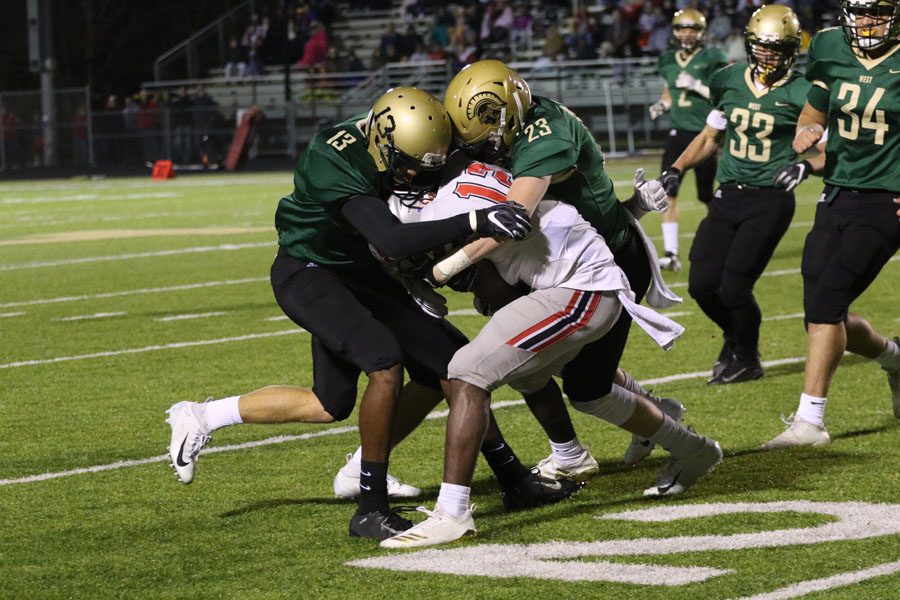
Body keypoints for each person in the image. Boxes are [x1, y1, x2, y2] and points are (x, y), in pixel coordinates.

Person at [166, 87, 539, 541]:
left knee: (445, 363)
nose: (414, 178)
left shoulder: (419, 136)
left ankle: (512, 477)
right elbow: (394, 238)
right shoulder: (335, 155)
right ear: (383, 145)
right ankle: (370, 509)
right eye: (407, 167)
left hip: (362, 272)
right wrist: (477, 221)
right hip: (310, 272)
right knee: (384, 363)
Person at [380, 157, 723, 549]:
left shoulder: (444, 207)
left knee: (467, 370)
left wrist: (438, 274)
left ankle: (452, 513)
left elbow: (496, 290)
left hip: (582, 288)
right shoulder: (474, 175)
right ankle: (686, 448)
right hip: (574, 279)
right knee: (546, 379)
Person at [442, 59, 687, 475]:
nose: (487, 146)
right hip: (556, 261)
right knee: (533, 362)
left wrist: (444, 267)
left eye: (491, 135)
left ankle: (676, 437)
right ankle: (580, 447)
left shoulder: (545, 132)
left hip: (600, 264)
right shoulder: (518, 122)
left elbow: (512, 216)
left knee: (586, 386)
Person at [660, 5, 823, 385]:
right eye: (760, 46)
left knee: (734, 288)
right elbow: (708, 137)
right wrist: (677, 168)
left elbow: (835, 147)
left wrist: (807, 165)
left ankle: (747, 357)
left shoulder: (804, 91)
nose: (766, 54)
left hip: (770, 198)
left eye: (775, 47)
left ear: (791, 49)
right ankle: (734, 338)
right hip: (727, 195)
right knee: (701, 284)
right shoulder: (729, 79)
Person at [762, 0, 900, 448]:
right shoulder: (830, 46)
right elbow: (815, 110)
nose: (866, 21)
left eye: (878, 11)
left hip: (887, 199)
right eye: (860, 11)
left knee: (827, 301)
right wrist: (809, 132)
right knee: (822, 313)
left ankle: (810, 421)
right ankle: (895, 360)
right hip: (838, 192)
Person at [649, 9, 728, 271]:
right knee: (668, 188)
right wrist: (661, 105)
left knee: (707, 194)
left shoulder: (712, 57)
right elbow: (670, 93)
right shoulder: (668, 61)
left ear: (702, 32)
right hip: (677, 132)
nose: (687, 33)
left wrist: (697, 85)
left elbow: (724, 95)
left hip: (705, 134)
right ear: (674, 31)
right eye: (682, 28)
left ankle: (724, 239)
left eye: (692, 28)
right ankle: (671, 253)